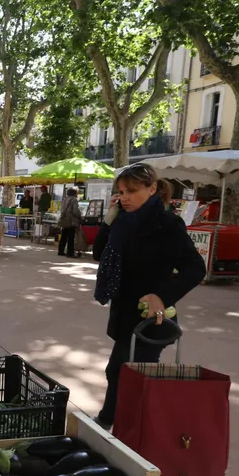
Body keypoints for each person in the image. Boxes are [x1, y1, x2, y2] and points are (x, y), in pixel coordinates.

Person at [92, 163, 206, 429]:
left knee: (127, 374)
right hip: (125, 313)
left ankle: (117, 426)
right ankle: (115, 424)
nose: (125, 197)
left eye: (132, 191)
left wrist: (162, 296)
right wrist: (110, 216)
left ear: (152, 188)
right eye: (121, 191)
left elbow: (195, 268)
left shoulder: (167, 224)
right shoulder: (122, 221)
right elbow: (98, 252)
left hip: (150, 317)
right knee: (120, 372)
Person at [57, 188, 83, 258]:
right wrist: (80, 216)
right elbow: (75, 211)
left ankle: (61, 251)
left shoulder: (64, 199)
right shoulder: (74, 200)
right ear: (75, 193)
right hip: (71, 220)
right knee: (71, 237)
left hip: (65, 220)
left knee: (64, 236)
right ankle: (70, 253)